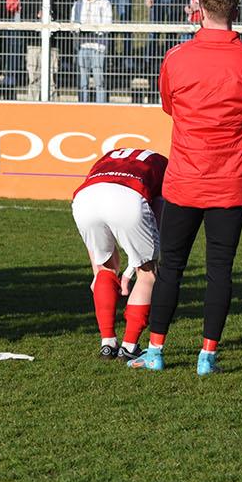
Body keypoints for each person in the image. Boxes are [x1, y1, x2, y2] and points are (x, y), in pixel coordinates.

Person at [128, 0, 242, 375]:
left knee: (170, 266)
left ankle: (156, 350)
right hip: (229, 181)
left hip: (185, 180)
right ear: (237, 11)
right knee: (219, 270)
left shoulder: (177, 57)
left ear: (199, 8)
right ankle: (207, 355)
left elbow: (170, 106)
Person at [72, 147, 166, 360]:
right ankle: (129, 347)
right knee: (148, 274)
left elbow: (95, 194)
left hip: (85, 198)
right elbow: (157, 226)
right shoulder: (162, 165)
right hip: (129, 196)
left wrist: (97, 271)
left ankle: (107, 343)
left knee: (105, 269)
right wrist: (132, 271)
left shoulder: (109, 156)